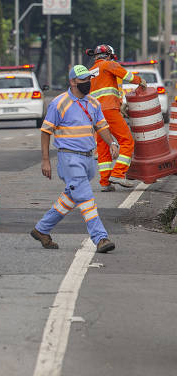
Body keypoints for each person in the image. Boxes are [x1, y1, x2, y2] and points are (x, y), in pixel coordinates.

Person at [31, 65, 119, 253]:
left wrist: (112, 143)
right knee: (86, 198)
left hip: (88, 159)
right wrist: (45, 160)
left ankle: (42, 229)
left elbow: (101, 126)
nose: (88, 83)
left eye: (89, 79)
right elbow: (46, 131)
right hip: (69, 159)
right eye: (83, 80)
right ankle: (100, 238)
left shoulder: (93, 103)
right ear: (72, 82)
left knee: (71, 197)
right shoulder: (59, 103)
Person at [87, 44, 146, 190]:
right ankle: (118, 174)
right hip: (109, 110)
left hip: (96, 114)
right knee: (127, 141)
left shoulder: (90, 71)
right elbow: (126, 75)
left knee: (103, 146)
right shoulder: (108, 64)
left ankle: (105, 182)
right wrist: (140, 81)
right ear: (109, 55)